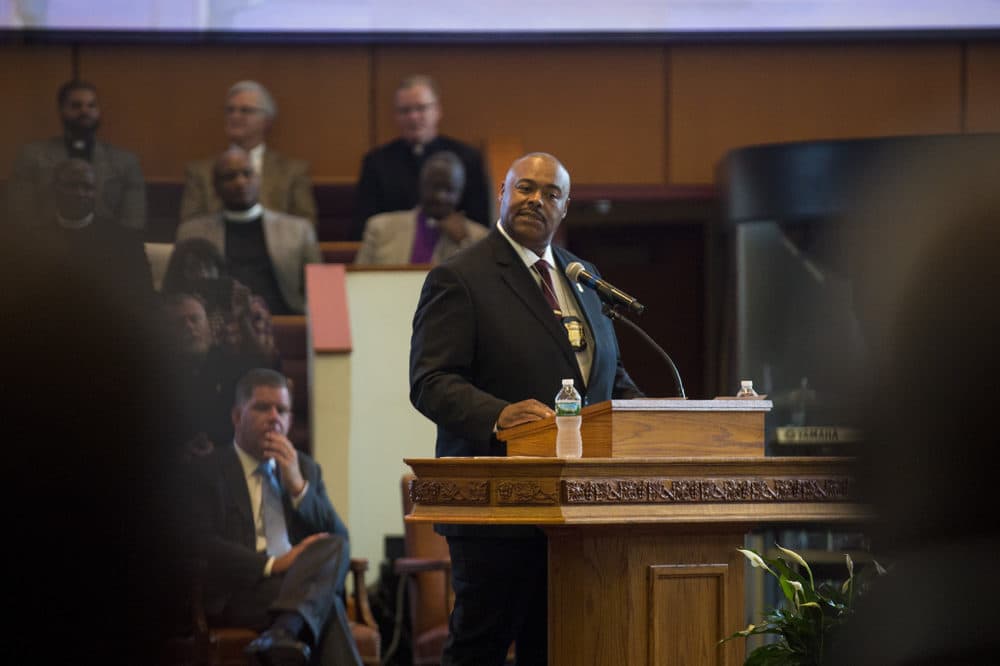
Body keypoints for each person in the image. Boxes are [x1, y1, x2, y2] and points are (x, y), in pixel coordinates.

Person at [409, 152, 644, 665]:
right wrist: (499, 415)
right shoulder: (460, 276)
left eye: (550, 193)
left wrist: (649, 421)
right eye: (525, 188)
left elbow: (607, 378)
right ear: (502, 194)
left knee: (559, 648)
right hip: (497, 503)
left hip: (581, 510)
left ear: (564, 209)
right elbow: (431, 381)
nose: (536, 200)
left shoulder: (583, 276)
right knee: (481, 649)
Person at [185, 368, 363, 666]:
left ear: (291, 420)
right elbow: (202, 544)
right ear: (236, 416)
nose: (274, 417)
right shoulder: (209, 470)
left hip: (296, 585)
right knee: (327, 604)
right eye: (261, 407)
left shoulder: (304, 469)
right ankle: (285, 631)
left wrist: (298, 488)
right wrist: (274, 563)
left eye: (281, 410)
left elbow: (338, 540)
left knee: (334, 549)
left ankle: (282, 634)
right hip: (241, 590)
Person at [176, 146, 321, 315]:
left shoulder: (298, 230)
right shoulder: (192, 232)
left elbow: (320, 289)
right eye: (230, 176)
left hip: (285, 320)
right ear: (215, 186)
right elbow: (179, 293)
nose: (240, 182)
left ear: (259, 179)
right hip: (219, 329)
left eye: (247, 173)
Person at [351, 74, 491, 240]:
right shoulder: (376, 161)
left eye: (421, 108)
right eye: (405, 110)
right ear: (396, 116)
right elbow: (363, 224)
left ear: (437, 110)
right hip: (394, 251)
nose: (413, 117)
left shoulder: (467, 158)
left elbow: (480, 221)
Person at [6, 79, 146, 230]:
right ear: (61, 110)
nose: (85, 111)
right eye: (76, 106)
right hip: (45, 246)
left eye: (91, 105)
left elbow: (133, 222)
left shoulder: (125, 161)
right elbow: (20, 216)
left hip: (106, 248)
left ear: (98, 111)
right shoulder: (32, 156)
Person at [161, 292, 280, 463]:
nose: (189, 327)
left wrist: (244, 321)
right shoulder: (160, 375)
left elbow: (267, 372)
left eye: (195, 319)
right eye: (180, 322)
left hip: (229, 459)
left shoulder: (231, 364)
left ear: (209, 326)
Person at [180, 80, 318, 225]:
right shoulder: (200, 171)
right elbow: (189, 227)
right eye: (230, 110)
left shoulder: (292, 171)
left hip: (276, 245)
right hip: (219, 244)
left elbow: (306, 226)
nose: (235, 116)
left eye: (245, 110)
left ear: (267, 120)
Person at [31, 158, 153, 304]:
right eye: (72, 185)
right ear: (55, 188)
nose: (80, 193)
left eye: (87, 187)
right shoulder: (32, 241)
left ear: (95, 193)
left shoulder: (125, 241)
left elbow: (144, 296)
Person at [355, 150, 488, 265]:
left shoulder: (478, 237)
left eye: (449, 190)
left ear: (460, 194)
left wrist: (464, 241)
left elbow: (481, 283)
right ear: (421, 186)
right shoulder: (380, 228)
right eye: (435, 187)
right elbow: (361, 278)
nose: (440, 196)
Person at [162, 237, 278, 362]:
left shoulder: (251, 305)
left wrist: (243, 319)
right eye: (193, 268)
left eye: (209, 267)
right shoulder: (176, 314)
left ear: (219, 270)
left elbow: (266, 362)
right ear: (179, 276)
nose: (204, 275)